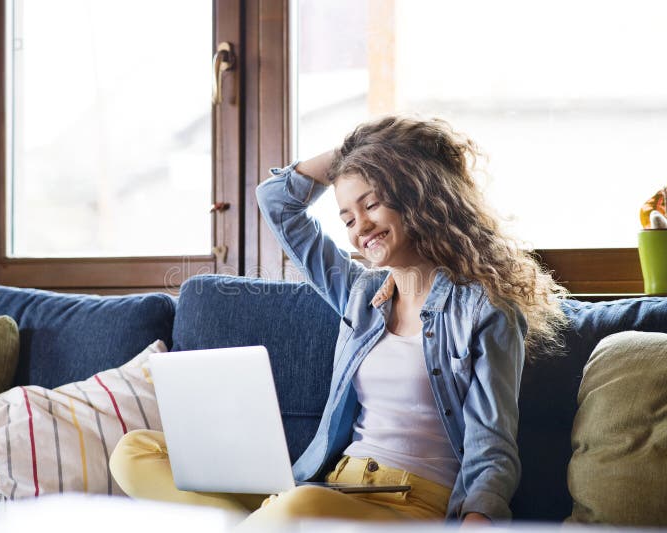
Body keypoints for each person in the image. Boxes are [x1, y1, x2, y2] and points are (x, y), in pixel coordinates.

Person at [110, 114, 568, 527]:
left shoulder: (484, 309)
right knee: (135, 453)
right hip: (331, 486)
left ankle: (267, 524)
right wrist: (353, 153)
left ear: (417, 195)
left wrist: (478, 519)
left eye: (370, 204)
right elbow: (276, 202)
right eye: (347, 217)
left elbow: (492, 442)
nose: (358, 227)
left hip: (413, 505)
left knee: (296, 509)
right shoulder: (360, 293)